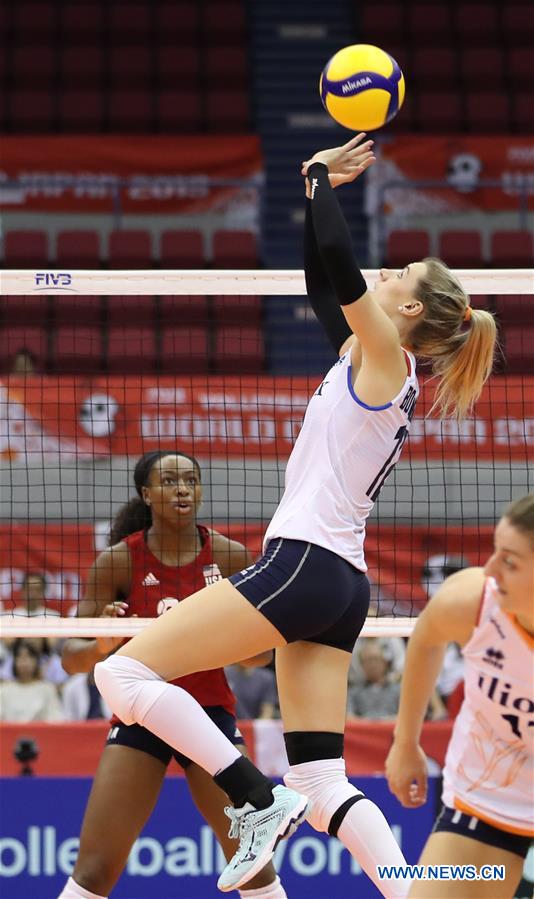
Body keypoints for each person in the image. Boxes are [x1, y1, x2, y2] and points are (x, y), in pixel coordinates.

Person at [94, 134, 498, 898]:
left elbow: (344, 270)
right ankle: (412, 891)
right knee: (321, 776)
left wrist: (321, 177)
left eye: (400, 275)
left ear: (408, 308)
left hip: (307, 562)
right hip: (341, 581)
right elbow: (325, 284)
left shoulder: (386, 356)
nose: (385, 275)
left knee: (123, 669)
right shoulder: (370, 356)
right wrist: (313, 188)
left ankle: (255, 795)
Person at [58, 450, 285, 899]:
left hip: (209, 717)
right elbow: (70, 658)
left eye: (190, 480)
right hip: (140, 718)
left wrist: (235, 639)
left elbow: (260, 658)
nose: (182, 489)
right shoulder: (119, 562)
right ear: (146, 494)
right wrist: (102, 645)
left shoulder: (230, 555)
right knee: (95, 871)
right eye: (169, 481)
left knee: (253, 866)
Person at [386, 494, 534, 898]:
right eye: (495, 551)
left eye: (510, 561)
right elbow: (427, 640)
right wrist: (405, 741)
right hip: (487, 797)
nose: (489, 569)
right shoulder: (471, 600)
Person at [0, 639, 64, 722]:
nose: (24, 662)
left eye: (29, 657)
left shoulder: (47, 689)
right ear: (14, 662)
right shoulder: (4, 690)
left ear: (36, 661)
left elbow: (55, 719)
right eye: (20, 657)